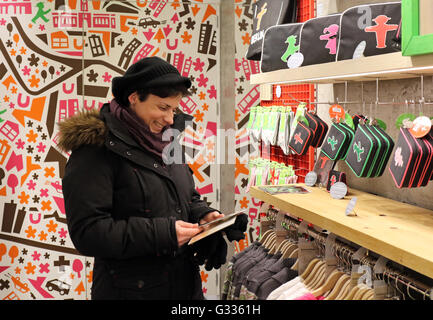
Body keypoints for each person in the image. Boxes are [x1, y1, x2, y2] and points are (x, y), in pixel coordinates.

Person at [58, 57, 247, 300]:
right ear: (134, 98)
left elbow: (185, 195)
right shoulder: (95, 149)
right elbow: (88, 232)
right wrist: (165, 234)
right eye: (162, 107)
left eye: (174, 109)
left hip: (184, 288)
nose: (170, 119)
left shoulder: (167, 139)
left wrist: (203, 215)